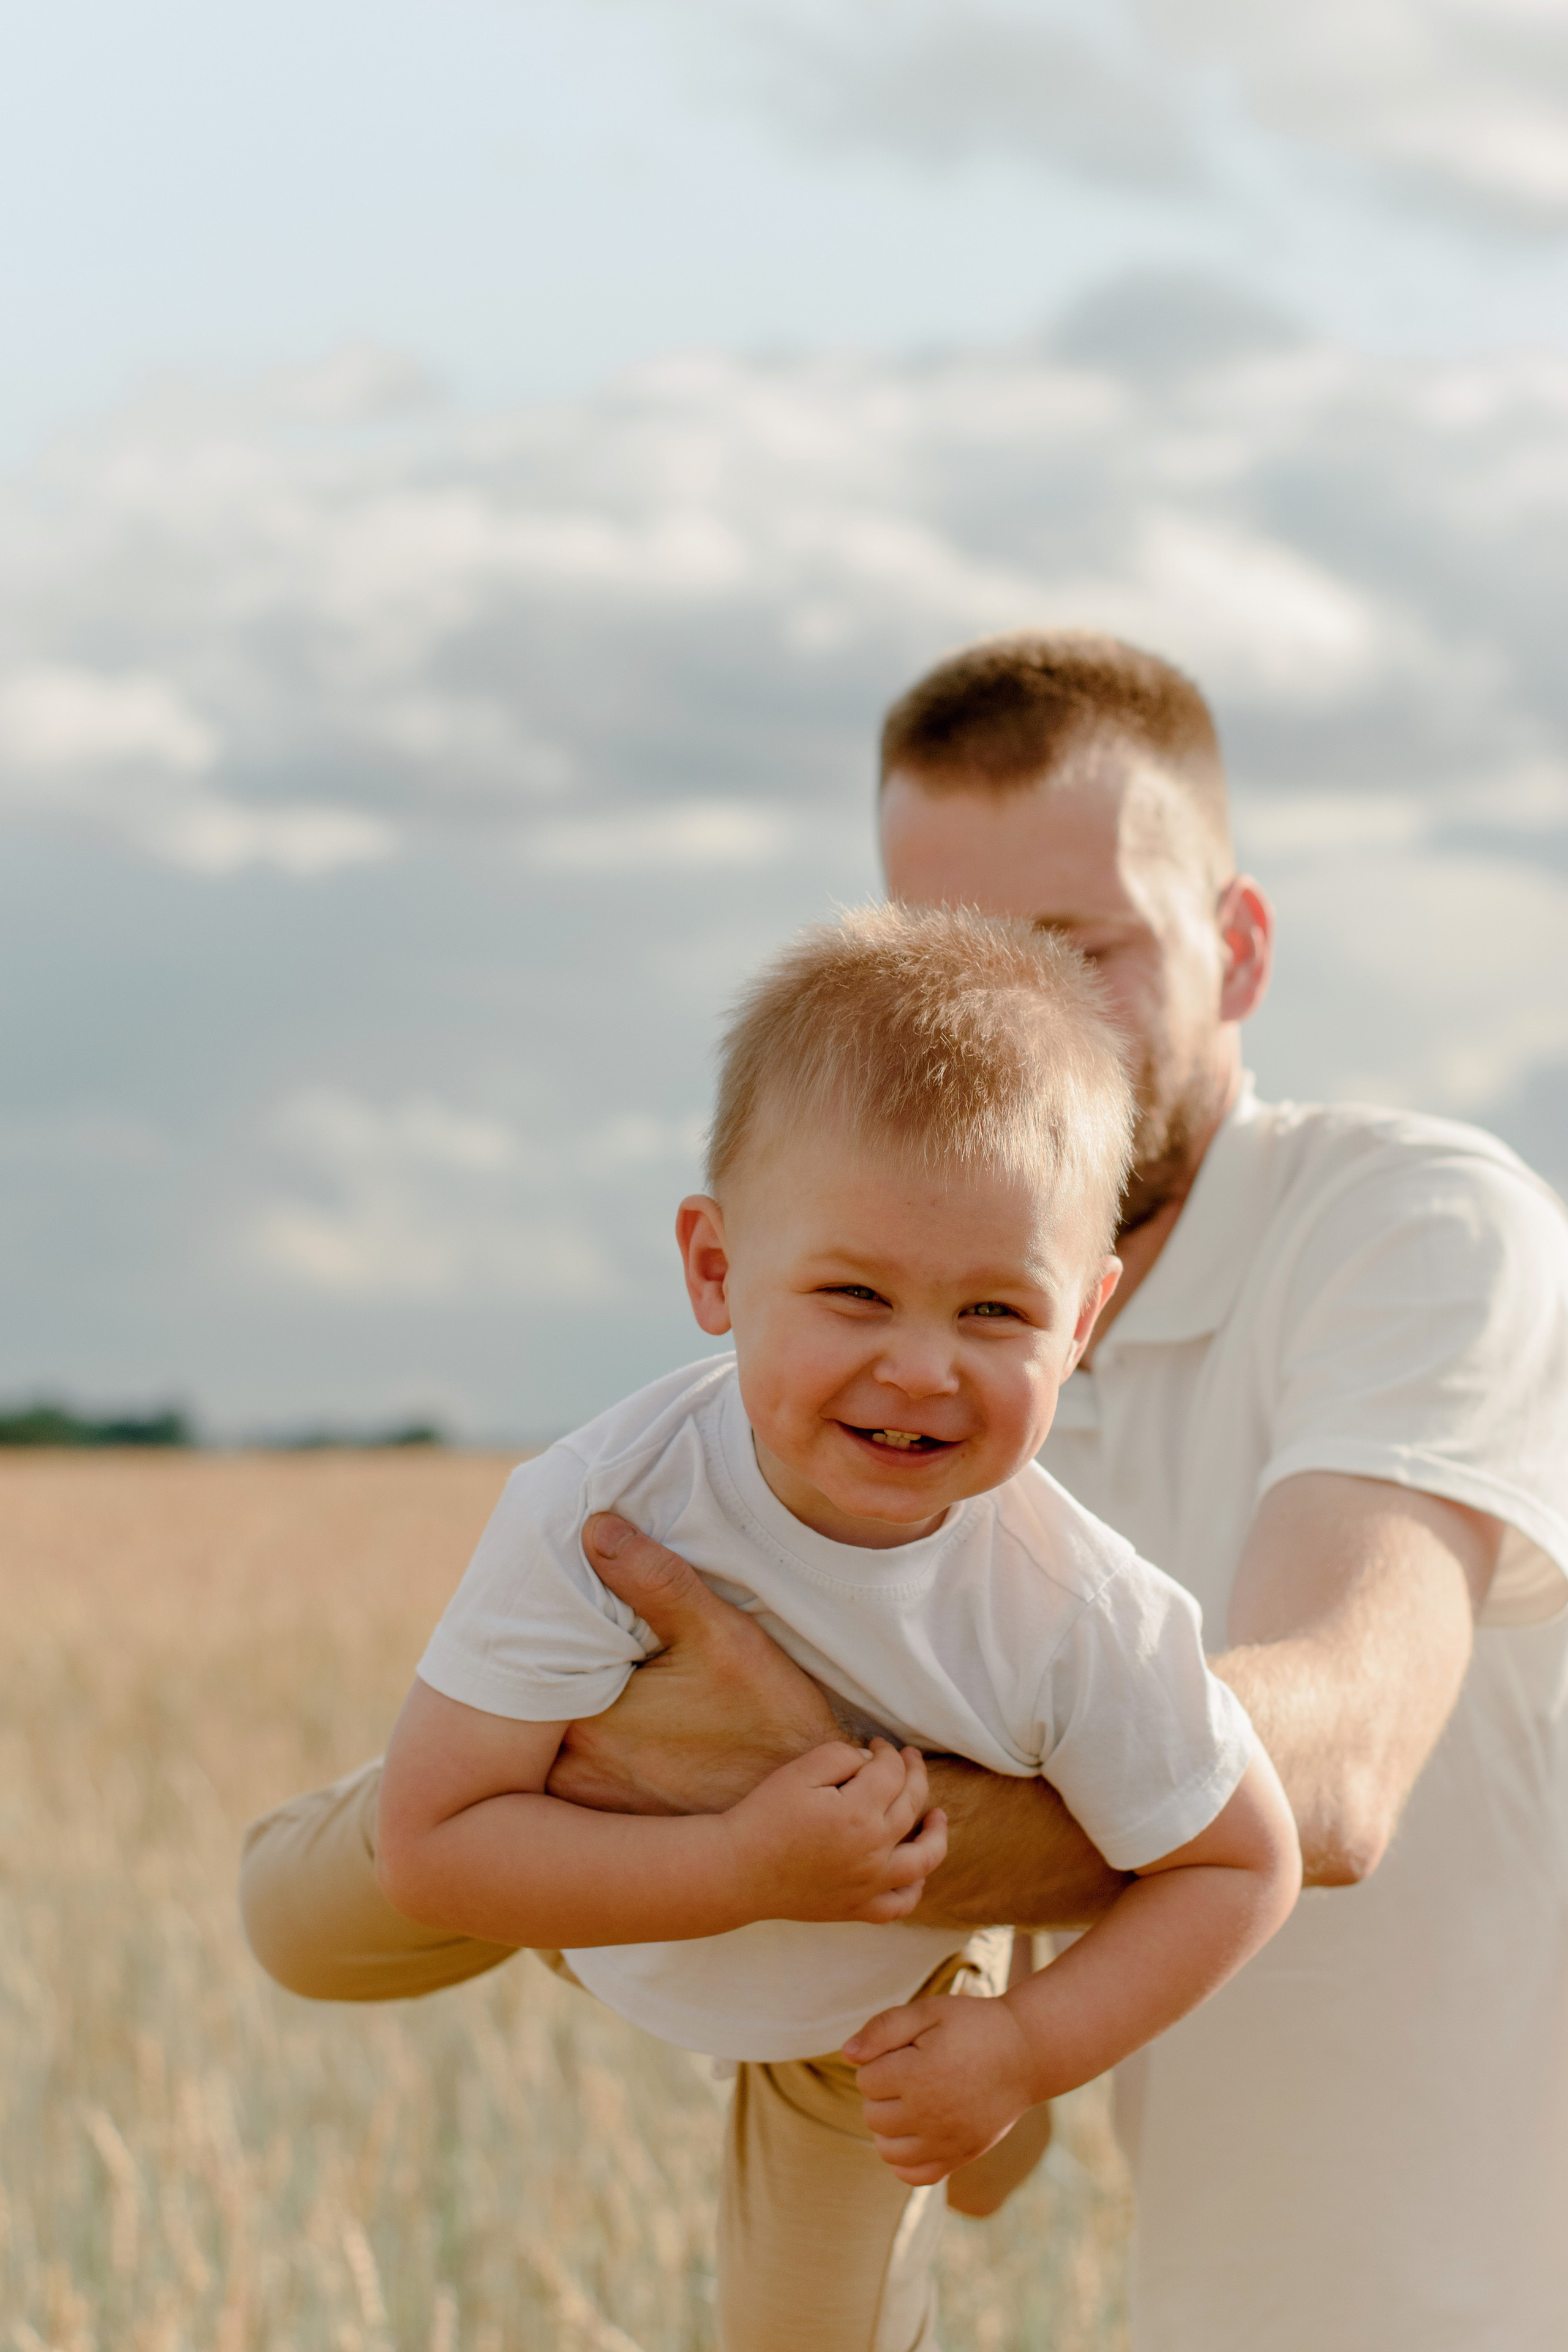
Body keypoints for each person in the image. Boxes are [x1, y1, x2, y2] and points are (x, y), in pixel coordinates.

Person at [243, 631, 1568, 2351]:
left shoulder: (1417, 1224)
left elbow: (1328, 1775)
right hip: (1217, 2278)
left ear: (1235, 949)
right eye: (964, 951)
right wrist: (716, 1848)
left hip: (1482, 2274)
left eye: (1085, 946)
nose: (1032, 1021)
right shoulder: (906, 1374)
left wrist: (789, 1808)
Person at [366, 903, 1300, 2348]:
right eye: (853, 1292)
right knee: (297, 1921)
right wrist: (739, 1861)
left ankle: (989, 2006)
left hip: (860, 2003)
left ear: (1084, 1319)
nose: (918, 1367)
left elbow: (1243, 1858)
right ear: (716, 1269)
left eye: (996, 1310)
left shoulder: (1075, 1607)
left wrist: (1020, 2050)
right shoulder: (610, 1506)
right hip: (577, 1850)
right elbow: (436, 1846)